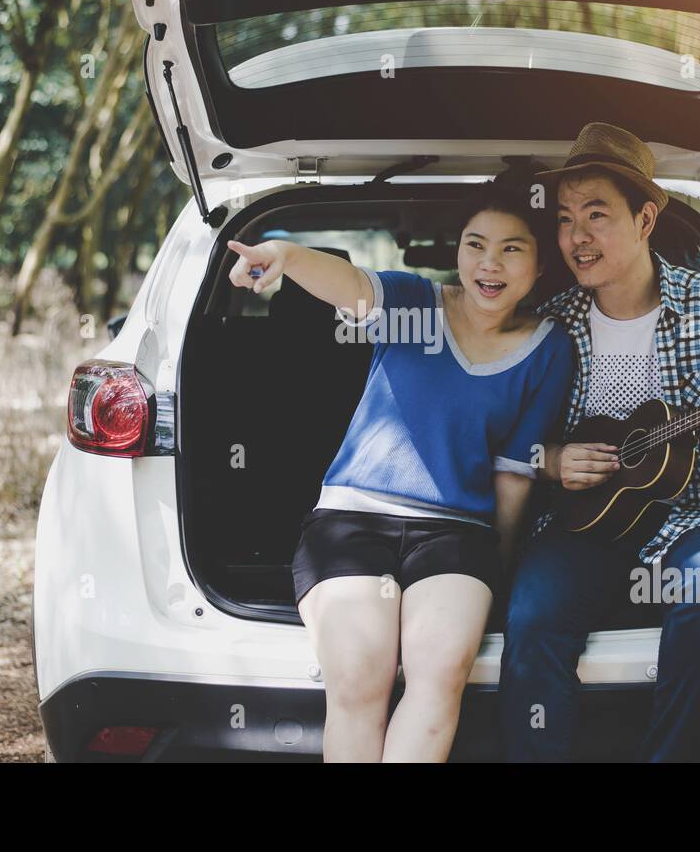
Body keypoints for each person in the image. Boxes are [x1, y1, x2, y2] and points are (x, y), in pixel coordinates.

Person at [227, 178, 574, 762]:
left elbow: (515, 474)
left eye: (513, 248)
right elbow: (352, 287)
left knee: (439, 674)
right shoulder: (415, 302)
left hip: (458, 537)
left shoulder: (548, 347)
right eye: (475, 244)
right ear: (457, 251)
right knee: (362, 676)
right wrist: (285, 256)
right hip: (350, 523)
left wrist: (500, 573)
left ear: (540, 267)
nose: (489, 263)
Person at [498, 122, 700, 762]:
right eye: (567, 218)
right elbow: (508, 441)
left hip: (696, 518)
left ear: (646, 218)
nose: (576, 237)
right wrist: (551, 462)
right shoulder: (554, 323)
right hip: (582, 525)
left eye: (596, 215)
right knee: (532, 621)